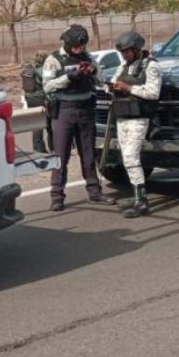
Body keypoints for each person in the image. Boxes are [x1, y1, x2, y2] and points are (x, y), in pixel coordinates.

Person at [42, 24, 116, 212]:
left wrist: (92, 71)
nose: (79, 50)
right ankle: (57, 196)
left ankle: (94, 192)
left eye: (81, 47)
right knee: (61, 155)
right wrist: (69, 77)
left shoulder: (88, 57)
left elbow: (101, 80)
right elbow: (47, 86)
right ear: (66, 44)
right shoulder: (54, 60)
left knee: (88, 153)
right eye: (76, 47)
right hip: (63, 112)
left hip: (86, 110)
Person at [108, 31, 162, 219]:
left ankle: (142, 201)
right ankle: (137, 195)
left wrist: (129, 88)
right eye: (122, 52)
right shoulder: (124, 65)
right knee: (127, 159)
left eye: (127, 51)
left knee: (131, 157)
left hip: (140, 117)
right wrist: (112, 87)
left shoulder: (151, 66)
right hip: (122, 116)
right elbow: (114, 82)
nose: (125, 55)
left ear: (137, 49)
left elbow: (153, 92)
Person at [21, 50, 49, 152]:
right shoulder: (43, 70)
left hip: (29, 99)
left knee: (36, 124)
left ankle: (37, 148)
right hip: (40, 99)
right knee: (48, 123)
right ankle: (50, 147)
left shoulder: (27, 69)